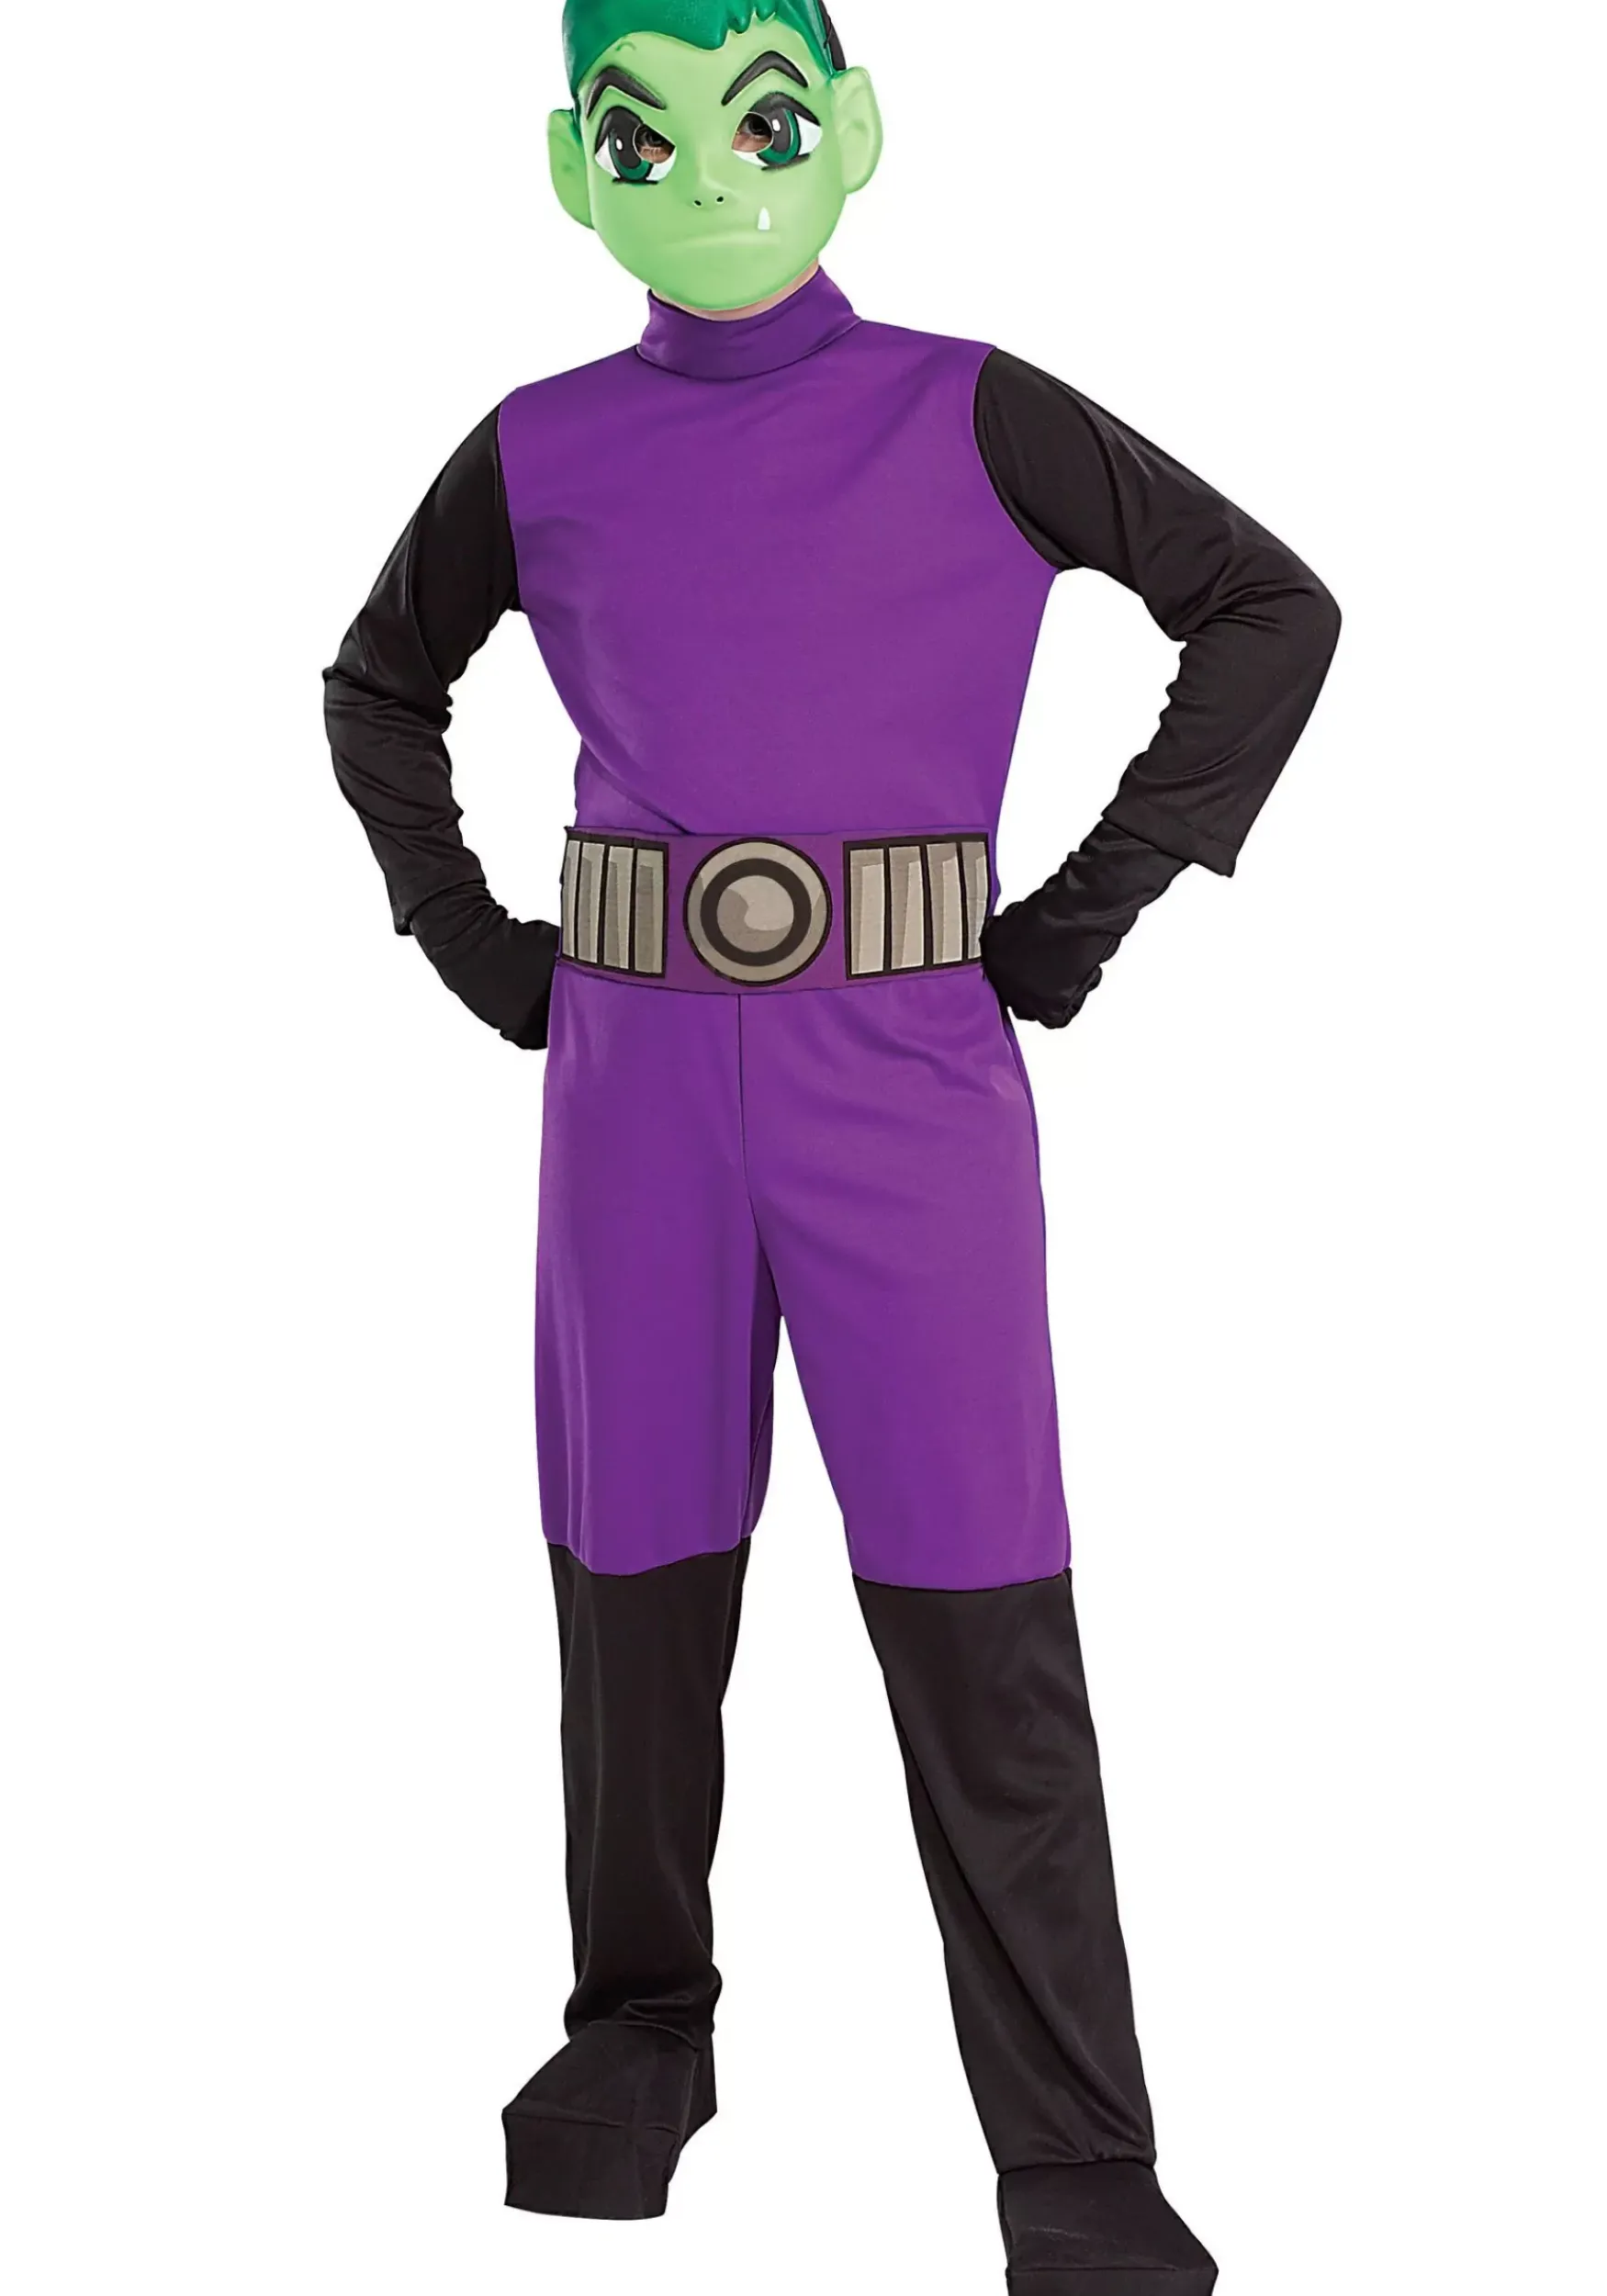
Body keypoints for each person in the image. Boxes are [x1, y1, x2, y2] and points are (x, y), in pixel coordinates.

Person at [322, 6, 1340, 2286]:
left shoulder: (970, 410)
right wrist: (473, 943)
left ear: (851, 133)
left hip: (905, 1075)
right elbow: (375, 683)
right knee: (631, 1565)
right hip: (632, 1089)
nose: (708, 172)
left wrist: (1077, 915)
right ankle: (634, 2026)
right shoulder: (539, 446)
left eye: (761, 115)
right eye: (638, 136)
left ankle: (1072, 2147)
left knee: (978, 1586)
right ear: (571, 172)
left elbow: (1268, 606)